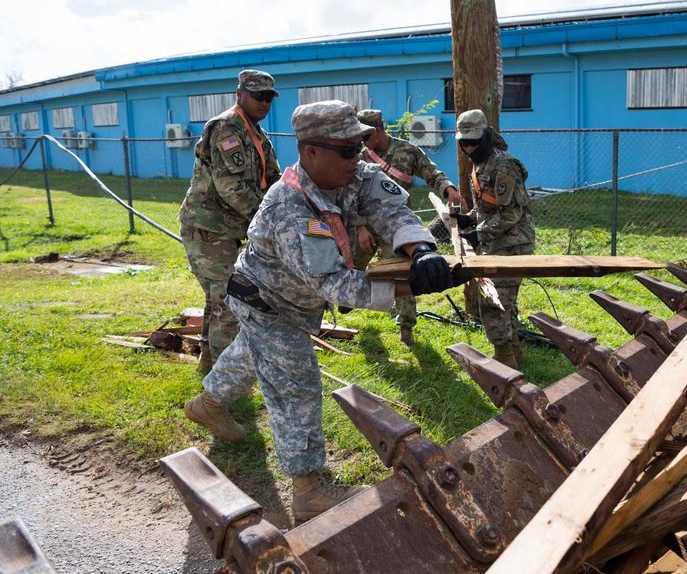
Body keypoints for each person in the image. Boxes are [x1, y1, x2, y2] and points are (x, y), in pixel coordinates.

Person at [183, 100, 470, 522]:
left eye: (360, 146)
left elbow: (390, 208)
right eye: (348, 149)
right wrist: (413, 285)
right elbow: (336, 284)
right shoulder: (289, 207)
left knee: (251, 355)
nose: (359, 157)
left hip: (296, 297)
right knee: (296, 382)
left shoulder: (353, 171)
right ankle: (308, 490)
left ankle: (207, 404)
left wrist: (422, 250)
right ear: (311, 152)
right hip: (266, 301)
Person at [178, 69, 281, 373]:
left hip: (226, 228)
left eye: (269, 98)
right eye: (257, 96)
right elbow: (230, 186)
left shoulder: (256, 133)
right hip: (209, 227)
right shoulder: (227, 127)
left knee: (219, 299)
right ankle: (225, 380)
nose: (264, 103)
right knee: (229, 301)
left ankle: (209, 370)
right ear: (240, 94)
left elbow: (272, 178)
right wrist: (265, 221)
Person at [352, 108, 467, 346]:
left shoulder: (407, 150)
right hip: (367, 225)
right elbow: (350, 193)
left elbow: (431, 172)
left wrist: (449, 190)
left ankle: (406, 327)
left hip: (398, 228)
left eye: (365, 136)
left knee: (404, 273)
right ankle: (347, 299)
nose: (362, 142)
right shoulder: (360, 157)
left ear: (378, 131)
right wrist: (360, 227)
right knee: (352, 266)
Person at [450, 109, 535, 369]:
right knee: (504, 302)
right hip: (497, 243)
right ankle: (513, 351)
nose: (469, 147)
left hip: (513, 245)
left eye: (473, 141)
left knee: (493, 301)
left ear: (486, 136)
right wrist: (469, 219)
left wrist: (479, 234)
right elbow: (488, 206)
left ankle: (504, 358)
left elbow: (510, 213)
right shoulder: (481, 163)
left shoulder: (504, 165)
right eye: (464, 142)